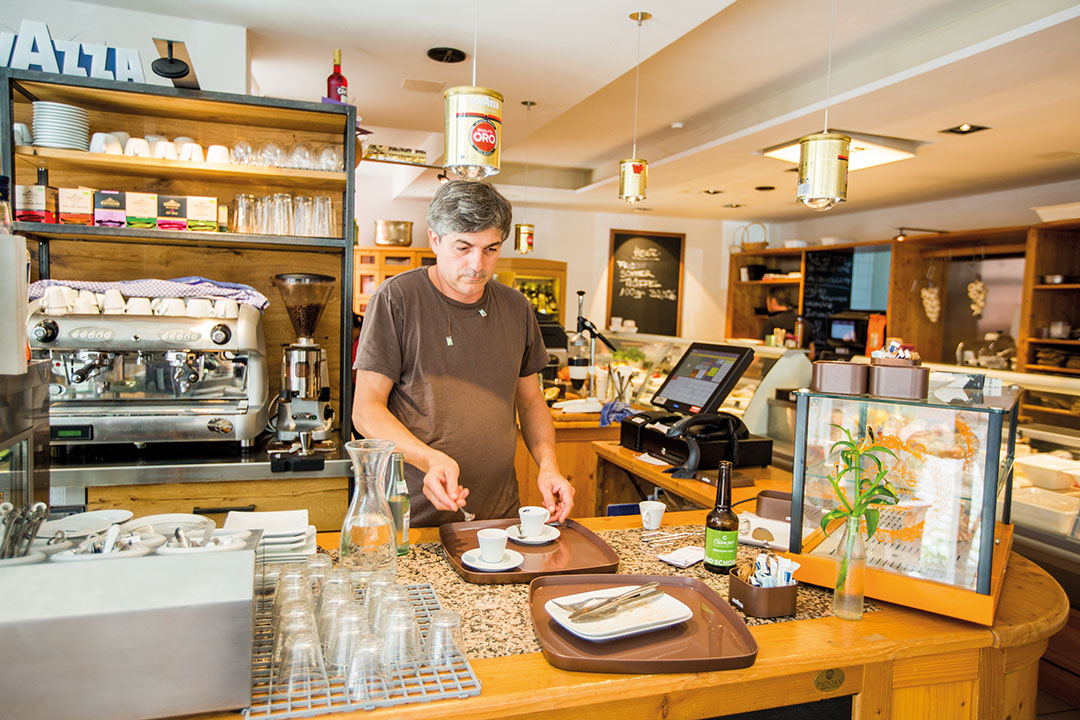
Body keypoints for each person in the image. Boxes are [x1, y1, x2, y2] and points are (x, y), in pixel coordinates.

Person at [352, 180, 574, 527]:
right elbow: (366, 411)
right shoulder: (397, 299)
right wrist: (429, 460)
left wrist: (548, 466)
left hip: (498, 517)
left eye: (490, 249)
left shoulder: (516, 308)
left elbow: (531, 403)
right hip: (413, 517)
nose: (477, 264)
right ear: (435, 240)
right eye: (464, 247)